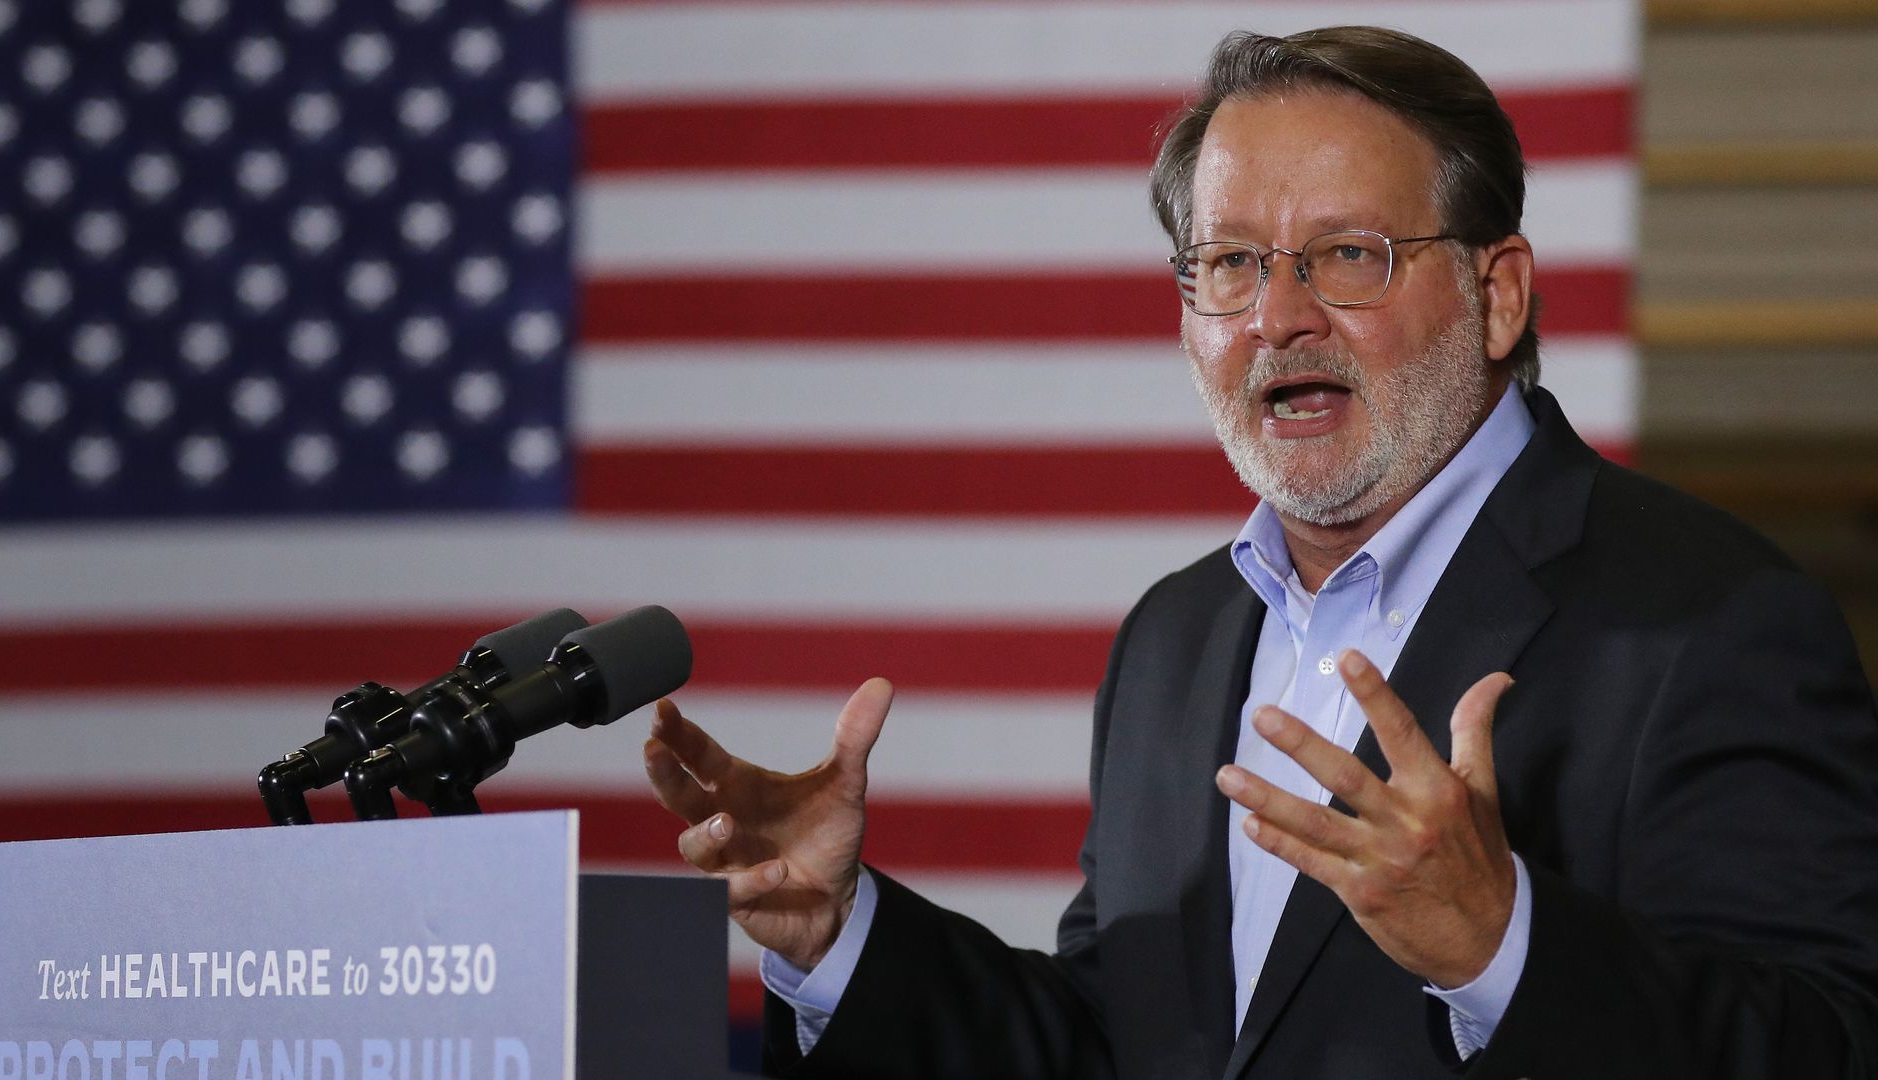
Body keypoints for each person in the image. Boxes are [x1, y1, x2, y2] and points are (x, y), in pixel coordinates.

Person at [643, 25, 1878, 1079]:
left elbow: (1833, 1044)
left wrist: (1504, 947)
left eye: (1349, 255)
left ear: (1498, 294)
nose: (1278, 318)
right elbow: (1122, 1047)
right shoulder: (1176, 639)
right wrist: (840, 934)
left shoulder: (1710, 619)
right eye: (1230, 264)